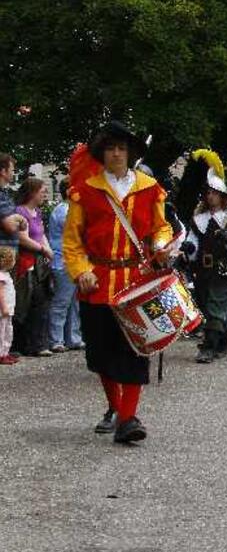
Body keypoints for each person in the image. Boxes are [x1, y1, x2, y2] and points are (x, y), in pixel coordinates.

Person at [62, 122, 173, 444]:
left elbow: (160, 227)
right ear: (102, 153)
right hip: (97, 284)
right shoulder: (86, 191)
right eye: (111, 148)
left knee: (135, 350)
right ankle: (115, 407)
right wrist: (81, 270)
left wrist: (161, 245)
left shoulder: (150, 188)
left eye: (122, 148)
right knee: (101, 353)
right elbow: (72, 241)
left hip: (136, 282)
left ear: (130, 153)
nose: (116, 153)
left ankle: (127, 418)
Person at [185, 167, 227, 363]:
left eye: (214, 193)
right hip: (202, 269)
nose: (210, 197)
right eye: (208, 193)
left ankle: (208, 346)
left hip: (222, 268)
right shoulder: (198, 219)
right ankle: (224, 340)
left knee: (215, 305)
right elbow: (193, 242)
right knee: (206, 305)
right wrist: (188, 247)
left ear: (222, 196)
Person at [12, 176, 55, 357]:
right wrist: (43, 249)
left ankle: (37, 343)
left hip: (39, 263)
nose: (44, 194)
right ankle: (23, 344)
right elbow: (23, 238)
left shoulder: (37, 212)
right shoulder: (20, 212)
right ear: (32, 193)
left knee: (41, 302)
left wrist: (48, 250)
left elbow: (41, 234)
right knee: (25, 303)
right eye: (42, 191)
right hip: (25, 262)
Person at [47, 179, 83, 352]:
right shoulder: (64, 211)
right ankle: (56, 339)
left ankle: (73, 338)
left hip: (74, 262)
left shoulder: (71, 209)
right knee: (61, 302)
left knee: (74, 302)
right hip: (63, 262)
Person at [0, 152, 27, 251]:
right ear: (3, 171)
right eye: (12, 170)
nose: (13, 173)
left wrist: (17, 219)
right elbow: (11, 226)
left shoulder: (4, 193)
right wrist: (20, 218)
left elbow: (22, 227)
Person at [0, 246, 16, 365]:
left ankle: (6, 352)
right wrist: (4, 307)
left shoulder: (6, 274)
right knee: (1, 331)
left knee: (8, 330)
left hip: (9, 309)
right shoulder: (1, 276)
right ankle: (1, 353)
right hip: (3, 310)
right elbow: (1, 293)